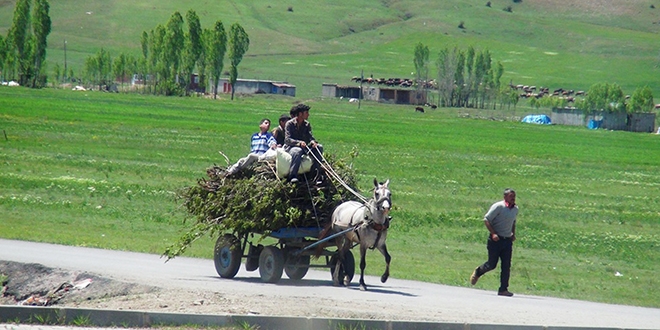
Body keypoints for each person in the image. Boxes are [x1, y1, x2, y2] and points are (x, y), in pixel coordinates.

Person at [470, 188, 518, 297]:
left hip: (507, 241)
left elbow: (513, 222)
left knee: (506, 266)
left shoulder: (515, 209)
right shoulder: (498, 206)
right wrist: (493, 233)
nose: (513, 198)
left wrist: (513, 234)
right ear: (505, 197)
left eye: (514, 196)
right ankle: (478, 271)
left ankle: (503, 289)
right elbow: (486, 219)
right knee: (492, 264)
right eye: (511, 196)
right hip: (496, 240)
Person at [284, 103, 323, 183]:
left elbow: (310, 137)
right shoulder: (289, 124)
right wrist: (299, 143)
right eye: (306, 113)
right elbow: (287, 140)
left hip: (304, 147)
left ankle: (314, 175)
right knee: (297, 151)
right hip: (292, 147)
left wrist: (313, 142)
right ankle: (293, 176)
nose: (308, 115)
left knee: (319, 147)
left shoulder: (306, 124)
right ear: (300, 114)